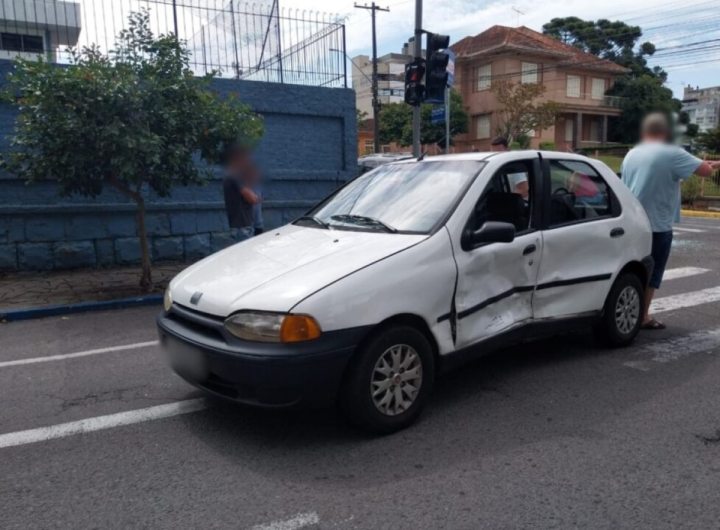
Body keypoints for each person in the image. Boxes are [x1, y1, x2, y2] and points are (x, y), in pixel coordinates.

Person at [621, 112, 720, 329]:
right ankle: (644, 316)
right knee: (652, 272)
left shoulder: (632, 153)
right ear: (665, 133)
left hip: (632, 222)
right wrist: (715, 164)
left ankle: (628, 312)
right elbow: (704, 171)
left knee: (632, 269)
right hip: (657, 224)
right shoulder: (671, 152)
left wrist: (704, 162)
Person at [222, 143, 261, 243]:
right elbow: (250, 197)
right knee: (246, 256)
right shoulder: (237, 175)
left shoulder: (229, 174)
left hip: (236, 225)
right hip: (243, 226)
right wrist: (256, 197)